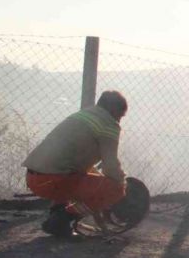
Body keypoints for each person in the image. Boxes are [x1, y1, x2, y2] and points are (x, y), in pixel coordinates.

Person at [23, 91, 129, 238]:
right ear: (113, 110)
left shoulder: (82, 115)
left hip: (34, 179)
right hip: (54, 180)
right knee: (116, 188)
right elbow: (110, 166)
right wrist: (122, 184)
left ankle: (57, 216)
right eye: (120, 115)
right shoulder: (109, 124)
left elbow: (81, 167)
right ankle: (62, 219)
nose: (119, 120)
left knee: (73, 175)